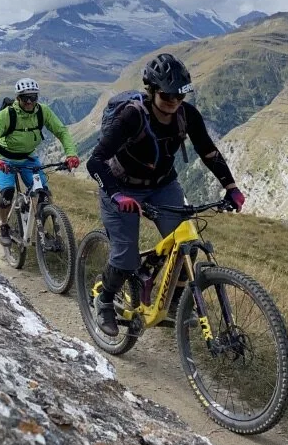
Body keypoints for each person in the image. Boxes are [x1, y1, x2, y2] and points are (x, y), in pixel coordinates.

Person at [86, 53, 246, 336]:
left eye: (179, 96)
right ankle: (105, 299)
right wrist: (115, 196)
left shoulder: (187, 115)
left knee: (189, 243)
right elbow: (95, 161)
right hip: (122, 186)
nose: (173, 102)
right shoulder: (132, 116)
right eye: (166, 95)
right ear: (152, 91)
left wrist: (230, 186)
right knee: (124, 257)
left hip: (163, 185)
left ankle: (173, 305)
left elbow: (208, 152)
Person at [0, 78, 81, 247]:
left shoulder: (43, 111)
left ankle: (41, 230)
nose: (29, 102)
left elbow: (61, 131)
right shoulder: (7, 114)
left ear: (37, 97)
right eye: (24, 98)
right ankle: (3, 225)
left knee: (43, 194)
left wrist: (71, 154)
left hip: (28, 157)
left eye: (32, 97)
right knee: (7, 193)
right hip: (4, 158)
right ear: (18, 98)